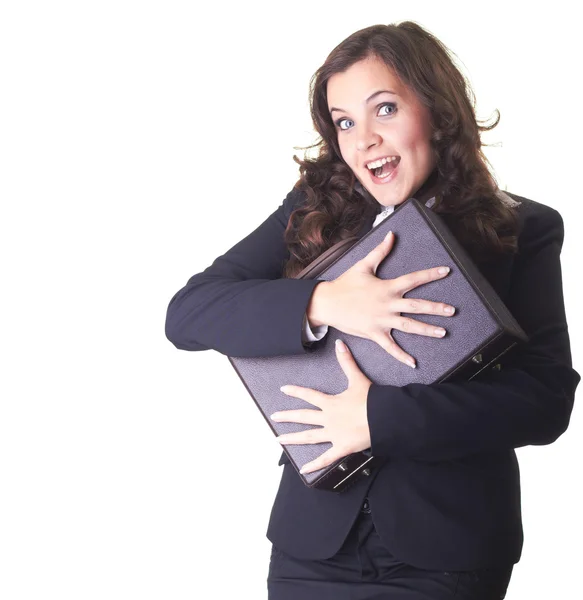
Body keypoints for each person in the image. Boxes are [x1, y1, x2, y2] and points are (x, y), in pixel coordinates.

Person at [165, 21, 579, 600]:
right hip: (312, 547)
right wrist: (327, 300)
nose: (364, 141)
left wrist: (376, 419)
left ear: (436, 110)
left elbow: (544, 402)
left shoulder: (522, 230)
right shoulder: (315, 209)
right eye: (344, 122)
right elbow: (189, 312)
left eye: (384, 109)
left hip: (446, 551)